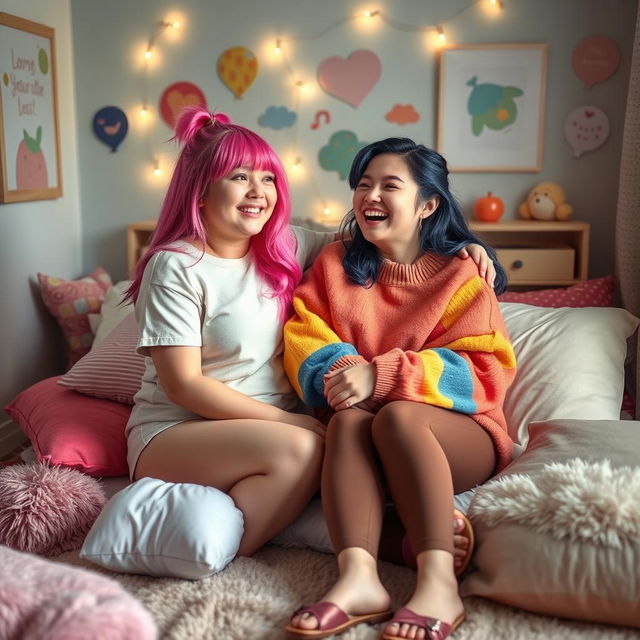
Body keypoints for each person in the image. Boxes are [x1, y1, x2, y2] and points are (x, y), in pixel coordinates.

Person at [123, 108, 495, 564]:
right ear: (199, 190)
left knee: (343, 449)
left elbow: (381, 238)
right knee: (312, 446)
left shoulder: (286, 245)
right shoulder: (175, 265)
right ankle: (211, 554)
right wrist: (290, 422)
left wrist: (463, 246)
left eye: (268, 179)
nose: (259, 193)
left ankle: (377, 539)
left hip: (260, 435)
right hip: (182, 428)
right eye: (240, 177)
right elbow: (185, 385)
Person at [283, 138, 516, 639]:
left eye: (391, 185)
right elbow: (303, 335)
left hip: (461, 437)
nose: (371, 195)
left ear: (427, 204)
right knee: (347, 421)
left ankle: (438, 586)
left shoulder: (463, 275)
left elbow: (484, 373)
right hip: (367, 436)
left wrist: (383, 376)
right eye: (363, 185)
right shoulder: (333, 265)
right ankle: (358, 580)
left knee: (398, 415)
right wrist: (346, 372)